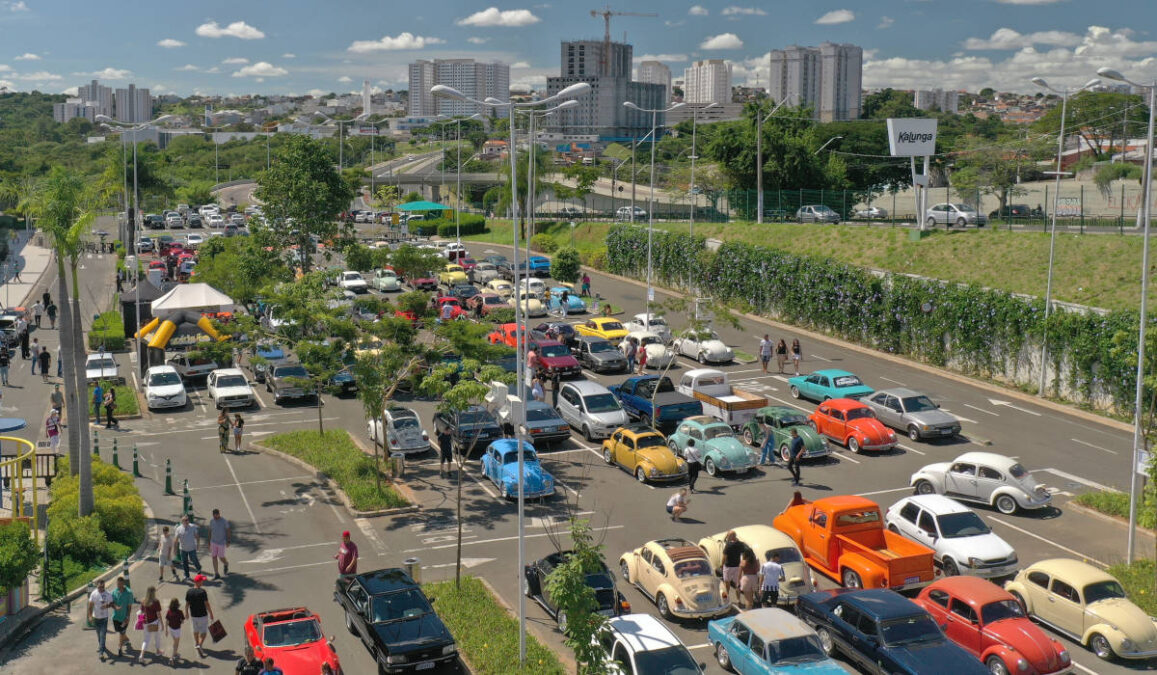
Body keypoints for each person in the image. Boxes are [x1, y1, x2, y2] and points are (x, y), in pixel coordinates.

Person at [184, 574, 214, 658]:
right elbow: (207, 604)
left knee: (195, 630)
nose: (203, 582)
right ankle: (199, 645)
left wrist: (186, 613)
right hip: (203, 615)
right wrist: (211, 613)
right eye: (202, 580)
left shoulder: (189, 592)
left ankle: (196, 643)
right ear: (198, 582)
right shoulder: (202, 592)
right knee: (204, 632)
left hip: (194, 615)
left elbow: (187, 604)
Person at [87, 578, 115, 661]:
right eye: (99, 587)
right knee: (99, 634)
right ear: (97, 586)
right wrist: (90, 616)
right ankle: (102, 646)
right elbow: (90, 606)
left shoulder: (108, 594)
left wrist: (107, 605)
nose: (101, 589)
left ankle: (101, 653)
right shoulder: (94, 594)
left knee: (103, 635)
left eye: (102, 587)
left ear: (104, 586)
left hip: (104, 618)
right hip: (96, 617)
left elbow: (112, 603)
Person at [110, 576, 135, 658]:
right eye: (117, 584)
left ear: (123, 584)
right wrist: (115, 607)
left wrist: (127, 617)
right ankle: (126, 639)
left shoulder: (129, 593)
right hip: (116, 617)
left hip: (124, 618)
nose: (119, 586)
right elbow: (111, 603)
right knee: (119, 630)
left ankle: (119, 648)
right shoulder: (114, 592)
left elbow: (129, 607)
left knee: (121, 632)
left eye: (120, 584)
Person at [138, 585, 163, 663]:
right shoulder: (156, 602)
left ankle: (141, 655)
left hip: (146, 623)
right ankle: (158, 651)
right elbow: (158, 613)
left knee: (146, 640)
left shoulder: (143, 601)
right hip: (154, 622)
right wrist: (162, 623)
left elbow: (141, 612)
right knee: (157, 637)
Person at [175, 514, 202, 581]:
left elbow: (197, 537)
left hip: (192, 548)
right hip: (183, 549)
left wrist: (198, 545)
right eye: (185, 520)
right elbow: (175, 540)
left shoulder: (193, 527)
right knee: (185, 562)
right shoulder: (178, 529)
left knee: (194, 560)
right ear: (182, 521)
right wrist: (175, 549)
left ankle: (198, 568)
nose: (186, 521)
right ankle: (187, 575)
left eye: (187, 520)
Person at [721, 531, 745, 598]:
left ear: (731, 537)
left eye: (728, 536)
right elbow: (743, 554)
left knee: (727, 583)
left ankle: (727, 597)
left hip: (728, 566)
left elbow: (724, 557)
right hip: (737, 566)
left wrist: (722, 565)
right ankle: (738, 600)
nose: (727, 537)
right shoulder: (740, 544)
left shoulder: (728, 546)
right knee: (737, 584)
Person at [209, 508, 231, 579]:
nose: (215, 517)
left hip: (221, 542)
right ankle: (216, 573)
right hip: (213, 542)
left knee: (221, 557)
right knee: (214, 556)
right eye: (214, 515)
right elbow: (210, 531)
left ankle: (226, 563)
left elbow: (228, 530)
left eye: (216, 515)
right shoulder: (212, 521)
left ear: (219, 514)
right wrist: (209, 541)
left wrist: (228, 541)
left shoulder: (224, 521)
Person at [164, 597, 185, 665]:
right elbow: (182, 621)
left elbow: (167, 621)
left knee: (175, 641)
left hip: (171, 629)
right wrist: (180, 621)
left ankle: (175, 653)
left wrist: (166, 630)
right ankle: (172, 657)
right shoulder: (180, 612)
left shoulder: (169, 611)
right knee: (176, 643)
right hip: (177, 630)